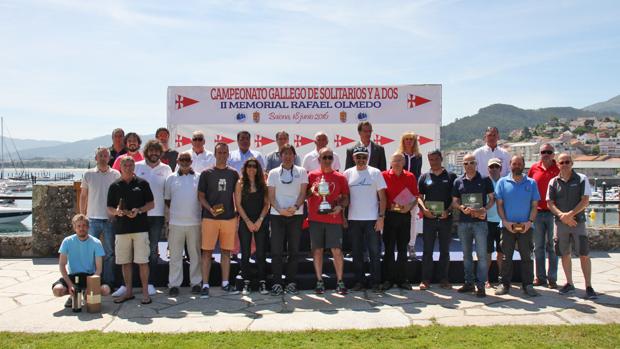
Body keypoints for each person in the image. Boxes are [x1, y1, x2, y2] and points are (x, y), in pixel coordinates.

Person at [547, 153, 598, 299]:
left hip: (578, 222)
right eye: (561, 162)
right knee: (564, 254)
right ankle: (569, 283)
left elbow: (585, 200)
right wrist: (562, 216)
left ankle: (588, 286)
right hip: (561, 223)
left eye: (567, 162)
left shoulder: (582, 179)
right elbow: (550, 203)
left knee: (584, 254)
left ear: (572, 163)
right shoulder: (553, 182)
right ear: (557, 164)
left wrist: (569, 214)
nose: (564, 164)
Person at [107, 156, 155, 304]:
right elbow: (109, 208)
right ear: (120, 167)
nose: (128, 167)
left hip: (140, 228)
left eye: (130, 165)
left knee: (142, 262)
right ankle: (128, 292)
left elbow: (151, 204)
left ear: (134, 167)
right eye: (125, 165)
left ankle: (145, 293)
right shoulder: (114, 185)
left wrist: (139, 210)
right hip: (122, 229)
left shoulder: (143, 183)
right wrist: (117, 212)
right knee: (125, 262)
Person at [198, 142, 240, 297]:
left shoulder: (234, 173)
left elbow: (237, 196)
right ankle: (205, 284)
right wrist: (210, 209)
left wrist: (236, 212)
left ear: (228, 154)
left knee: (226, 252)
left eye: (224, 152)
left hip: (229, 218)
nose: (222, 155)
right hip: (210, 218)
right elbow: (200, 197)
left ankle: (225, 283)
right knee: (207, 252)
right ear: (214, 154)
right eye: (219, 152)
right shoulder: (206, 173)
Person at [494, 155, 540, 297]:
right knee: (506, 257)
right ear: (510, 165)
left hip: (526, 227)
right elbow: (499, 205)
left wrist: (530, 222)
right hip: (507, 226)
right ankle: (504, 284)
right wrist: (505, 221)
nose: (517, 166)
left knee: (527, 256)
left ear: (523, 165)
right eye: (514, 164)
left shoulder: (531, 183)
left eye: (519, 163)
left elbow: (534, 206)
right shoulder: (502, 182)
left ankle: (528, 284)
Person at [343, 146, 386, 292]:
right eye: (358, 157)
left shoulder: (375, 172)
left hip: (372, 220)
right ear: (353, 158)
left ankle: (376, 283)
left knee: (374, 253)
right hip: (353, 219)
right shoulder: (347, 173)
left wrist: (381, 217)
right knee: (356, 253)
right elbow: (344, 197)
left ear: (367, 158)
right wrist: (343, 216)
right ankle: (359, 282)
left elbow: (383, 198)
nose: (361, 160)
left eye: (363, 157)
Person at [307, 147, 349, 295]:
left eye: (329, 157)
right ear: (319, 159)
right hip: (315, 218)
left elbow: (346, 198)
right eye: (324, 157)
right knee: (317, 250)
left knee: (337, 250)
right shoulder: (311, 175)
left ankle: (340, 281)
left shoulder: (340, 177)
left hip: (333, 218)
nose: (327, 160)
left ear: (333, 159)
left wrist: (339, 207)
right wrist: (311, 190)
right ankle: (319, 281)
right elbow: (305, 195)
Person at [452, 153, 494, 297]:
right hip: (464, 223)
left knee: (482, 255)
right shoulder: (458, 181)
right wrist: (461, 208)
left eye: (471, 162)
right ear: (462, 165)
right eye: (465, 163)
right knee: (466, 255)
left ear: (476, 164)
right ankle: (469, 283)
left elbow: (492, 199)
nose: (468, 165)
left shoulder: (485, 180)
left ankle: (480, 285)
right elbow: (455, 201)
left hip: (480, 223)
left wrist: (484, 209)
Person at [267, 144, 308, 295]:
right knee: (276, 251)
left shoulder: (302, 171)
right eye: (285, 154)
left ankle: (291, 282)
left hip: (295, 215)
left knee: (294, 251)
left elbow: (303, 193)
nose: (288, 156)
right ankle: (277, 282)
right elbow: (271, 196)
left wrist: (295, 207)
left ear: (294, 155)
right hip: (277, 215)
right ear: (280, 156)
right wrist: (280, 210)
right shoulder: (273, 173)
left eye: (290, 153)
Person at [79, 147, 120, 289]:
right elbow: (83, 196)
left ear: (109, 158)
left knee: (109, 253)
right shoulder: (88, 174)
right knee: (90, 252)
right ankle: (90, 281)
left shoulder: (115, 174)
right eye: (100, 155)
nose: (103, 158)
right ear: (96, 158)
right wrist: (82, 215)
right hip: (92, 219)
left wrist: (115, 213)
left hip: (109, 219)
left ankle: (108, 282)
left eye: (105, 155)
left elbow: (119, 197)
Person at [135, 140, 172, 295]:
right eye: (151, 150)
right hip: (139, 215)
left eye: (157, 151)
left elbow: (170, 192)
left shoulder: (166, 169)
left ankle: (150, 283)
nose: (154, 153)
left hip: (157, 216)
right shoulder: (137, 166)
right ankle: (134, 283)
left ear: (160, 153)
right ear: (146, 151)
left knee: (152, 250)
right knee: (137, 250)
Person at [52, 214, 111, 308]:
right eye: (78, 226)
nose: (81, 228)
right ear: (74, 227)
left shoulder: (96, 242)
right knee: (57, 290)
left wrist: (91, 285)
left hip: (90, 276)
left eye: (84, 225)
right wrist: (70, 285)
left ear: (88, 227)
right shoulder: (67, 241)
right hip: (73, 277)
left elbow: (99, 269)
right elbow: (62, 265)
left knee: (105, 290)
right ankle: (73, 296)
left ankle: (83, 294)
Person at [164, 151, 202, 296]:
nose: (185, 162)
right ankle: (174, 284)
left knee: (195, 255)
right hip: (176, 223)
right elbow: (167, 199)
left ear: (191, 161)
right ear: (178, 161)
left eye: (187, 159)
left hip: (194, 222)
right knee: (175, 255)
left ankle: (196, 282)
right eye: (182, 159)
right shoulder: (170, 178)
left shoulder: (198, 177)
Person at [417, 149, 456, 290]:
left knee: (445, 251)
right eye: (430, 160)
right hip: (429, 219)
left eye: (435, 159)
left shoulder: (451, 176)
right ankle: (425, 280)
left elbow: (455, 199)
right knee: (427, 250)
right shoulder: (424, 177)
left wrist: (449, 211)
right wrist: (424, 210)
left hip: (446, 219)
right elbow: (419, 198)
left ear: (441, 158)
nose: (433, 162)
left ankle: (444, 279)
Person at [381, 153, 419, 291]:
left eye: (399, 160)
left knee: (403, 249)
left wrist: (409, 206)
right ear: (390, 162)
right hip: (389, 215)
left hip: (404, 215)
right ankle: (388, 279)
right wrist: (387, 207)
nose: (396, 163)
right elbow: (379, 197)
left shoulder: (410, 176)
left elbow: (415, 196)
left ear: (404, 162)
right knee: (389, 249)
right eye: (394, 160)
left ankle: (402, 279)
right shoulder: (383, 175)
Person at [235, 158, 270, 295]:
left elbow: (267, 204)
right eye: (249, 166)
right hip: (245, 222)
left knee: (261, 253)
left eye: (254, 166)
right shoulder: (240, 183)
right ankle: (246, 283)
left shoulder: (263, 184)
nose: (251, 168)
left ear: (258, 169)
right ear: (245, 168)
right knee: (245, 253)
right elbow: (238, 204)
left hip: (260, 221)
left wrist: (260, 220)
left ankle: (262, 282)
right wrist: (248, 221)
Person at [528, 143, 560, 289]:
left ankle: (552, 278)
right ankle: (540, 278)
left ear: (553, 154)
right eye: (543, 152)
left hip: (554, 213)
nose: (545, 154)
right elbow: (527, 187)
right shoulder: (534, 168)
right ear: (539, 153)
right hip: (538, 213)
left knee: (552, 246)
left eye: (548, 151)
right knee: (538, 247)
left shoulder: (559, 169)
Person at [398, 131, 423, 260]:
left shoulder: (419, 157)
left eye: (411, 139)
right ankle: (400, 245)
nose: (409, 141)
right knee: (398, 218)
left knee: (413, 218)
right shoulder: (399, 155)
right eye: (406, 139)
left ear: (414, 142)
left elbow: (418, 175)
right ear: (403, 141)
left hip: (412, 191)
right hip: (400, 192)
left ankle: (411, 245)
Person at [485, 158, 504, 288]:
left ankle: (501, 278)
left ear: (500, 169)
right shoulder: (485, 182)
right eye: (491, 167)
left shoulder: (505, 182)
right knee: (487, 252)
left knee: (501, 253)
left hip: (502, 222)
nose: (494, 169)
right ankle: (486, 279)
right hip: (487, 222)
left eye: (496, 167)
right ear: (488, 169)